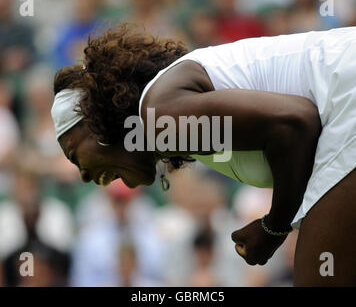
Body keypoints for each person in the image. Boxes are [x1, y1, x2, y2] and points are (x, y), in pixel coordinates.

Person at [51, 24, 356, 286]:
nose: (84, 175)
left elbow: (295, 124)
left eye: (74, 155)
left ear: (95, 122)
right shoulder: (170, 124)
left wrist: (274, 227)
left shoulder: (161, 118)